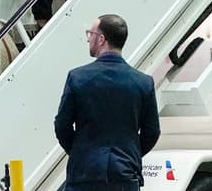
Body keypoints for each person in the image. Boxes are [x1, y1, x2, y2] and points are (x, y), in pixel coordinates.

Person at [54, 14, 159, 191]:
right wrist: (129, 154)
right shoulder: (143, 82)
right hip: (125, 174)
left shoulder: (77, 77)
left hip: (84, 173)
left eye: (90, 34)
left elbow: (62, 125)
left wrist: (81, 152)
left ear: (101, 39)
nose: (88, 39)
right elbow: (152, 132)